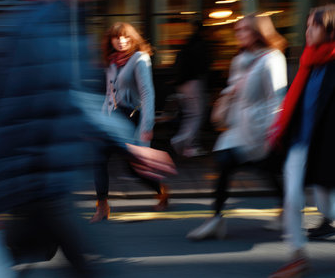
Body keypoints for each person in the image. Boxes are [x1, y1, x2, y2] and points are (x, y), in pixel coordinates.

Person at [0, 0, 176, 277]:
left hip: (49, 183)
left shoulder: (64, 21)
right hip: (36, 186)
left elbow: (71, 98)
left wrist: (129, 143)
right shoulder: (35, 26)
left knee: (25, 256)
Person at [186, 14, 288, 240]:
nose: (239, 34)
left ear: (258, 32)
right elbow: (232, 88)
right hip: (237, 127)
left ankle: (286, 209)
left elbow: (277, 99)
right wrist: (228, 93)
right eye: (237, 30)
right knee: (224, 163)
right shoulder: (239, 59)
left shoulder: (272, 58)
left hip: (260, 128)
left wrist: (273, 133)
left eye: (244, 30)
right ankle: (216, 220)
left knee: (267, 170)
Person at [268, 4, 335, 278]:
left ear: (329, 28)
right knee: (292, 197)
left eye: (314, 25)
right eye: (307, 25)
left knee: (326, 206)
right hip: (300, 143)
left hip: (326, 147)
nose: (308, 30)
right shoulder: (309, 60)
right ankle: (297, 257)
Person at [90, 22, 169, 223]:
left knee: (134, 167)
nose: (121, 41)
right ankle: (102, 206)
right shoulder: (111, 61)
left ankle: (160, 190)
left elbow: (147, 94)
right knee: (98, 159)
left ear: (133, 38)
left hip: (131, 118)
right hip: (110, 118)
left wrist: (147, 127)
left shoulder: (139, 60)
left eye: (126, 37)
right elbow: (109, 93)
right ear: (111, 41)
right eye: (116, 38)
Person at [170, 20, 211, 157]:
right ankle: (183, 141)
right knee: (197, 115)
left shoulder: (187, 44)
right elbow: (204, 66)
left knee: (189, 115)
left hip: (181, 83)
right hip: (193, 82)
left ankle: (188, 146)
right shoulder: (201, 45)